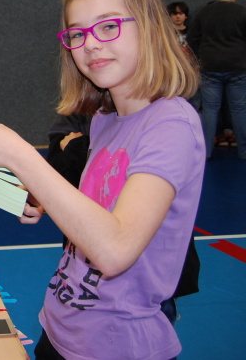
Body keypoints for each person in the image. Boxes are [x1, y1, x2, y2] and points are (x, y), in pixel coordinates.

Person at [0, 0, 204, 360]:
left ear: (149, 28)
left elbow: (114, 250)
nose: (90, 44)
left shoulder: (172, 124)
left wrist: (19, 155)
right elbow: (100, 212)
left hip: (117, 345)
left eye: (108, 26)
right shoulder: (105, 120)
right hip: (62, 328)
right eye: (77, 34)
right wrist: (42, 195)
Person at [45, 113, 200, 326]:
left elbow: (132, 186)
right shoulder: (85, 117)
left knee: (149, 323)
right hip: (84, 265)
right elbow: (59, 173)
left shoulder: (166, 125)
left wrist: (76, 148)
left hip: (147, 271)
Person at [186, 0, 246, 160]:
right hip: (238, 68)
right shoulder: (242, 12)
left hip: (210, 67)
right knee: (239, 109)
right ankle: (244, 151)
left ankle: (206, 152)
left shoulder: (204, 12)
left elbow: (192, 39)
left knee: (210, 110)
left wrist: (200, 58)